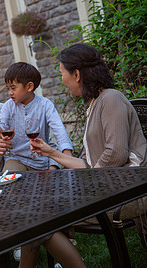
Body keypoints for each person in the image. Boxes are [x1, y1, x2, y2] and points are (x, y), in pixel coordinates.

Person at [30, 43, 147, 249]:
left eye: (62, 73)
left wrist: (89, 184)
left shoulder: (111, 98)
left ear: (76, 74)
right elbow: (87, 164)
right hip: (109, 189)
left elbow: (117, 154)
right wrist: (50, 152)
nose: (62, 80)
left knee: (43, 216)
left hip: (128, 194)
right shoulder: (95, 103)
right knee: (40, 211)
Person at [0, 62, 73, 171]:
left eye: (13, 88)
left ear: (29, 86)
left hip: (41, 161)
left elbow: (59, 130)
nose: (10, 93)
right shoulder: (8, 106)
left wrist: (67, 155)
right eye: (8, 88)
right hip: (16, 159)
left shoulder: (45, 105)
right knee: (10, 178)